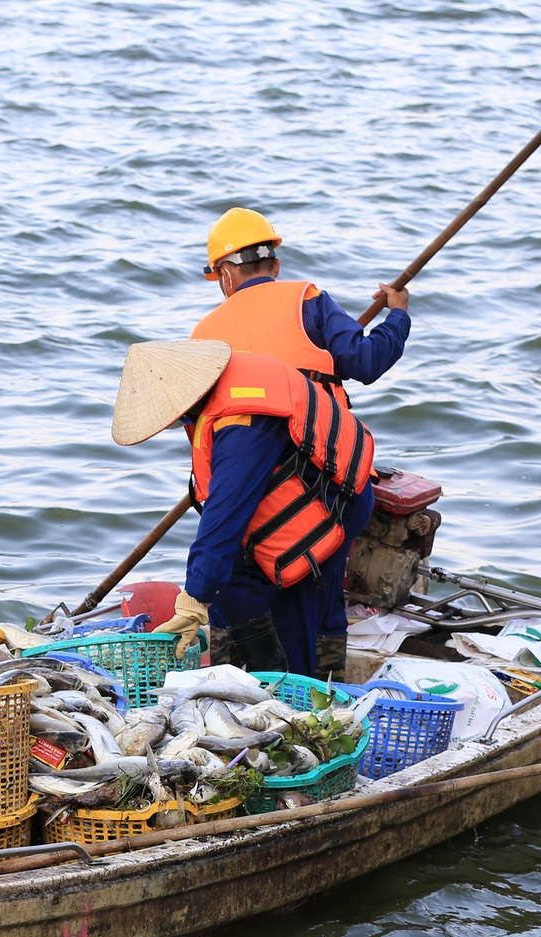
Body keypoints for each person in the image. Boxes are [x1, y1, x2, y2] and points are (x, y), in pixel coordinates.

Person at [173, 208, 412, 674]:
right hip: (337, 486)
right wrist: (397, 316)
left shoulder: (203, 337)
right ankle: (327, 689)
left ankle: (286, 691)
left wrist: (196, 591)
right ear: (275, 264)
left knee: (254, 581)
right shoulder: (308, 300)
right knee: (319, 592)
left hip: (271, 505)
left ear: (224, 276)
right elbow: (366, 361)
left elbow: (218, 446)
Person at [108, 339, 376, 677]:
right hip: (321, 486)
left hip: (329, 507)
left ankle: (287, 692)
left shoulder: (243, 425)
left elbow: (226, 512)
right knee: (255, 585)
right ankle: (294, 675)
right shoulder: (232, 381)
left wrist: (194, 598)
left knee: (280, 599)